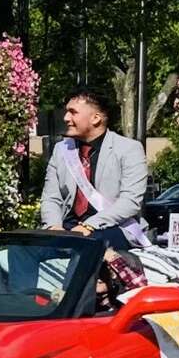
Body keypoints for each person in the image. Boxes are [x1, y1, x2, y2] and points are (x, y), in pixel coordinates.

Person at [40, 90, 150, 249]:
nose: (66, 118)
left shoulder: (129, 149)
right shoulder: (61, 150)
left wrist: (89, 226)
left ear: (96, 118)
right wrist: (53, 227)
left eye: (73, 112)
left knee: (85, 247)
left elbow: (130, 202)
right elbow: (51, 198)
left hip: (111, 228)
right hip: (67, 228)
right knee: (21, 249)